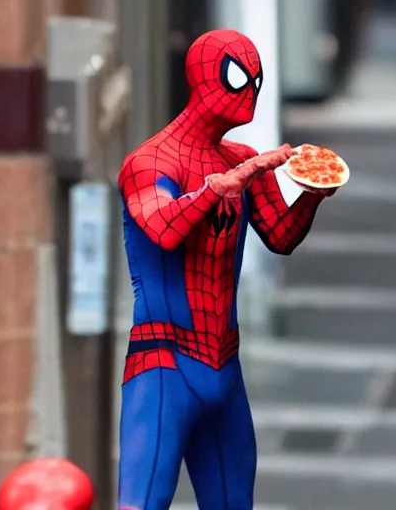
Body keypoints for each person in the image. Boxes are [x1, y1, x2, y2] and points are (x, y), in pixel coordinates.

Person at [117, 28, 336, 510]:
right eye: (239, 78)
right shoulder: (149, 162)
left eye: (256, 81)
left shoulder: (240, 160)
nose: (249, 93)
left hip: (224, 366)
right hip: (164, 364)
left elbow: (280, 236)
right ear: (203, 77)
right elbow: (161, 228)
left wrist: (309, 195)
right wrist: (219, 187)